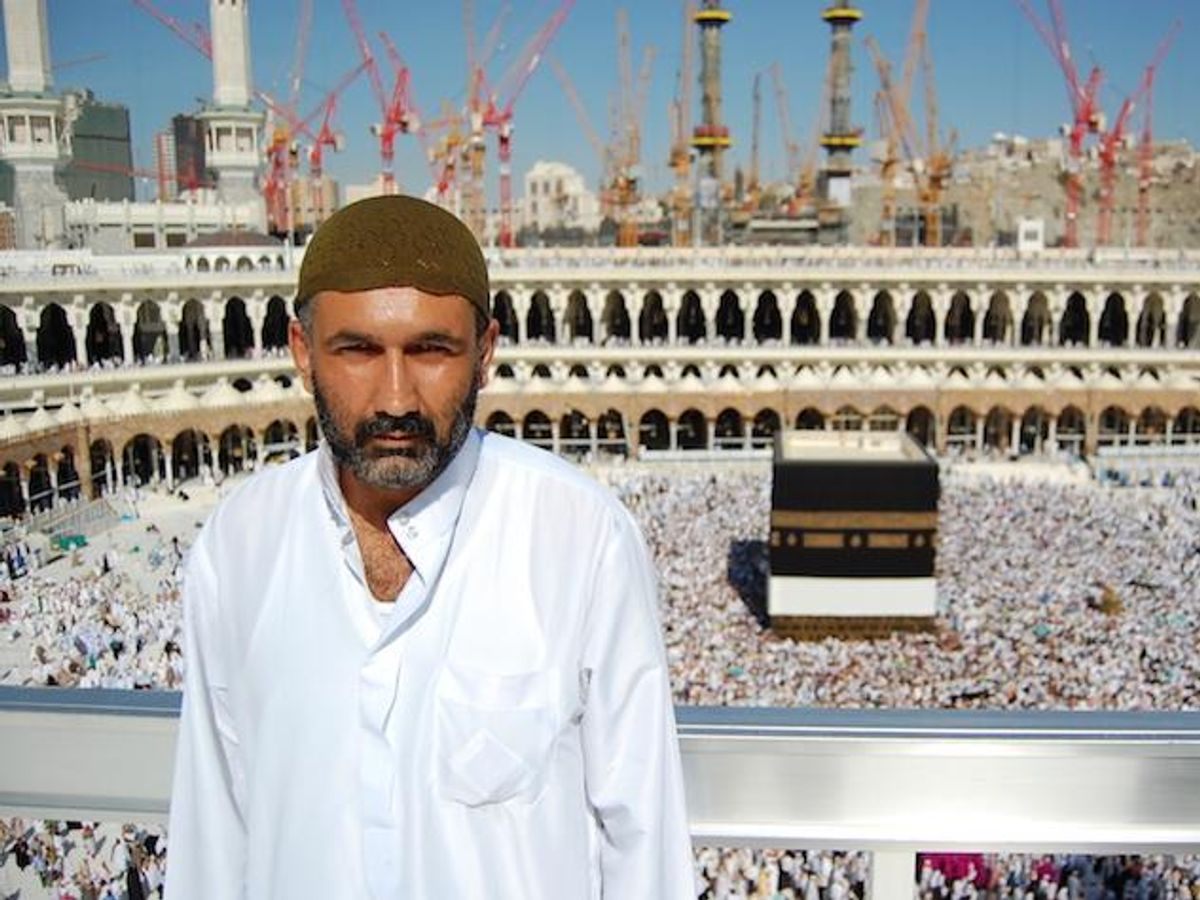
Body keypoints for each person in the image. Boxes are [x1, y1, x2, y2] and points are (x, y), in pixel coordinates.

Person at [166, 195, 694, 898]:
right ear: (302, 352)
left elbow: (643, 841)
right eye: (357, 350)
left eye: (431, 350)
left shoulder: (579, 538)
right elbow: (213, 832)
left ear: (485, 353)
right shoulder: (239, 546)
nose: (396, 398)